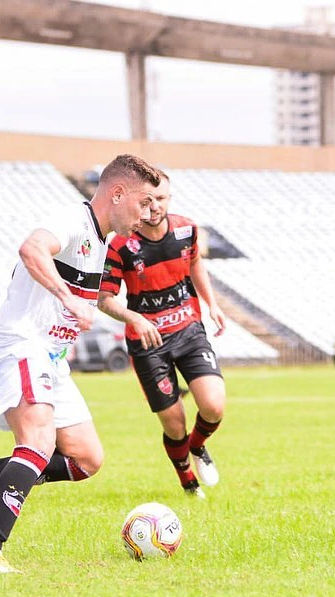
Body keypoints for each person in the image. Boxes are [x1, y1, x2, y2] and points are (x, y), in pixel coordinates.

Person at [0, 154, 161, 573]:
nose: (149, 214)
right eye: (144, 202)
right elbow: (31, 248)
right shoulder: (73, 220)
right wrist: (67, 296)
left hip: (50, 358)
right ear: (117, 193)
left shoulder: (101, 242)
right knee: (38, 442)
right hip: (20, 345)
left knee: (85, 459)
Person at [98, 171, 226, 498]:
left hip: (189, 329)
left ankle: (197, 448)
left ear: (170, 198)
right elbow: (104, 298)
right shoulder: (122, 244)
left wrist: (211, 304)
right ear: (138, 201)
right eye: (147, 200)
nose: (155, 206)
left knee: (213, 406)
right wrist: (134, 318)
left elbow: (195, 263)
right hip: (148, 343)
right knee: (174, 422)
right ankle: (187, 481)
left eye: (161, 198)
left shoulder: (187, 229)